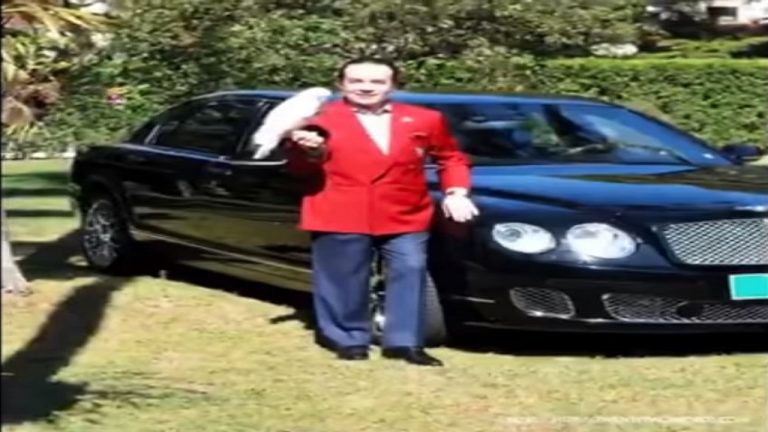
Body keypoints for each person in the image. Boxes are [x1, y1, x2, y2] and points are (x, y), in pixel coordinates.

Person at [286, 57, 478, 367]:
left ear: (393, 85)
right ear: (341, 84)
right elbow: (297, 169)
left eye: (377, 81)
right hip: (340, 210)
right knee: (343, 278)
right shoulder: (318, 118)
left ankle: (404, 342)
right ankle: (348, 338)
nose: (366, 87)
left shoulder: (424, 118)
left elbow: (451, 158)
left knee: (411, 270)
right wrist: (309, 151)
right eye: (356, 81)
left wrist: (456, 191)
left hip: (406, 212)